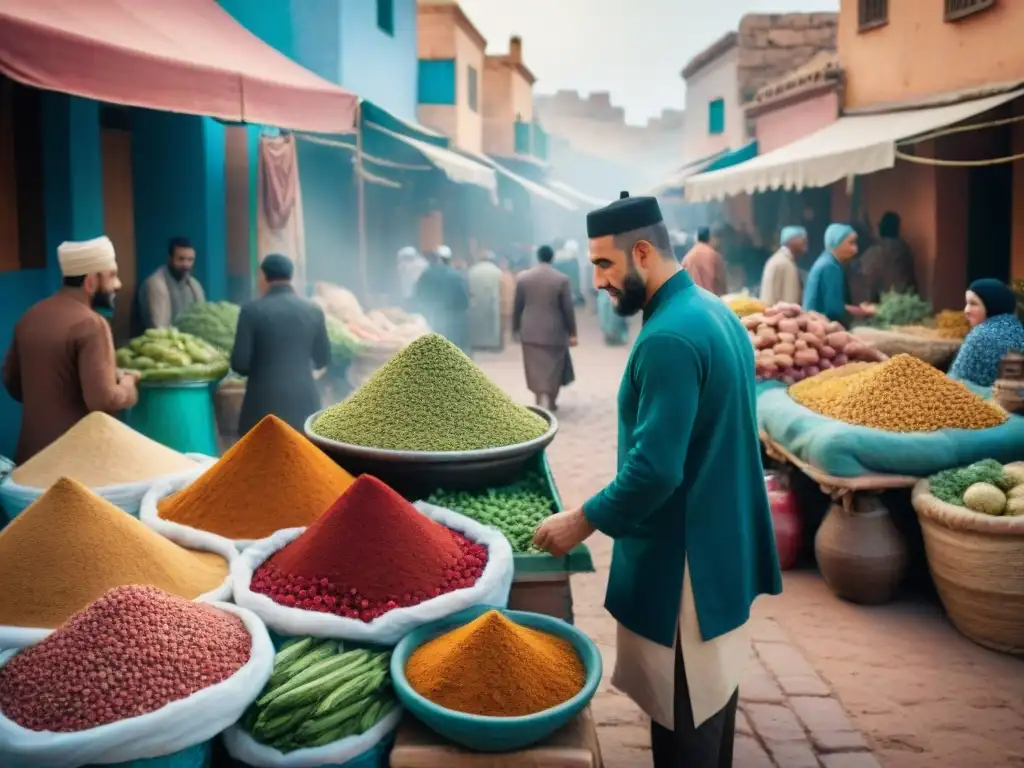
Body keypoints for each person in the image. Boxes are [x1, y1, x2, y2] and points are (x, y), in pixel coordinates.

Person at [533, 191, 781, 768]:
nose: (597, 282)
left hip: (686, 562)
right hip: (722, 546)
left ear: (642, 252)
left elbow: (655, 469)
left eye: (604, 265)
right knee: (711, 705)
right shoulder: (713, 311)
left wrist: (582, 520)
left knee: (686, 724)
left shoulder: (669, 337)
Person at [2, 236, 139, 463]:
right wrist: (128, 385)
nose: (118, 285)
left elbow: (11, 382)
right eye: (112, 275)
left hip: (29, 461)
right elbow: (104, 399)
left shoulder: (30, 316)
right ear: (90, 282)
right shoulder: (91, 324)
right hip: (75, 463)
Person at [231, 254, 331, 435]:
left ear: (263, 276)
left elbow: (239, 363)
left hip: (261, 407)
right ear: (291, 276)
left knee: (263, 459)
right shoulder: (313, 310)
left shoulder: (251, 311)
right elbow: (322, 359)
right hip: (304, 406)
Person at [513, 245, 578, 411]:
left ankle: (539, 396)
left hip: (530, 331)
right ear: (552, 258)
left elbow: (517, 307)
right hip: (554, 332)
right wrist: (572, 332)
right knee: (554, 368)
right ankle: (550, 397)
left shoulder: (523, 278)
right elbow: (568, 309)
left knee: (534, 367)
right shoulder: (561, 279)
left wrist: (515, 328)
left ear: (538, 257)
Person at [949, 279, 1024, 388]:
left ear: (992, 304)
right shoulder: (1018, 329)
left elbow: (952, 386)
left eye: (973, 304)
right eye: (967, 303)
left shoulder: (980, 336)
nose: (966, 310)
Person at [803, 223, 876, 324]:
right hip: (819, 327)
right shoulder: (831, 267)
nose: (855, 250)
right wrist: (864, 311)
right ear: (837, 243)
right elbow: (834, 310)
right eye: (851, 243)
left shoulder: (826, 261)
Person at [137, 236, 206, 330]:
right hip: (159, 341)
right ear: (169, 258)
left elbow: (203, 320)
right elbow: (159, 327)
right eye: (181, 259)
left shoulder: (194, 286)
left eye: (190, 260)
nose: (186, 264)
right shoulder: (156, 284)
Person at [412, 246, 471, 354]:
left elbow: (418, 294)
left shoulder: (426, 274)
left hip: (431, 315)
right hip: (452, 316)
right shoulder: (456, 276)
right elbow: (463, 299)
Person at [849, 211, 917, 304]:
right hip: (906, 298)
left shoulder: (879, 249)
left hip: (887, 301)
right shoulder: (904, 247)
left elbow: (863, 272)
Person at [760, 226, 807, 306]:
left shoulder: (775, 259)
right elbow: (790, 303)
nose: (805, 247)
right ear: (792, 240)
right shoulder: (786, 265)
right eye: (803, 240)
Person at [467, 253, 503, 351]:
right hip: (492, 303)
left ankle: (478, 345)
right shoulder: (497, 271)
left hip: (475, 303)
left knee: (478, 325)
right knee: (491, 326)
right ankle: (492, 345)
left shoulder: (472, 270)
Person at [681, 226, 728, 296]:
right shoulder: (714, 255)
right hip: (712, 301)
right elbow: (722, 284)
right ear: (710, 239)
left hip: (694, 301)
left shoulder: (686, 258)